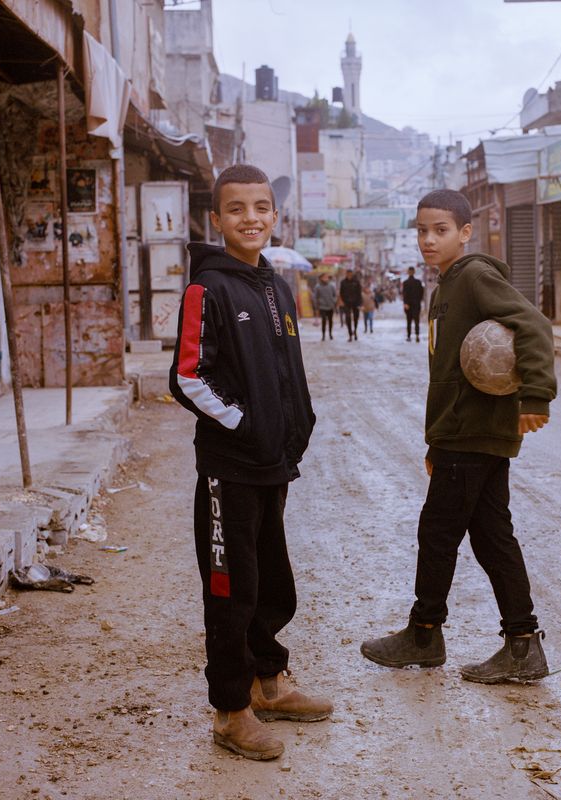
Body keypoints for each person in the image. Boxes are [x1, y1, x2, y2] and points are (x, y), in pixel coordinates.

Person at [360, 189, 556, 684]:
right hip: (462, 434)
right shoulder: (444, 288)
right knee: (492, 538)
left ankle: (424, 634)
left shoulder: (473, 277)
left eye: (440, 230)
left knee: (438, 532)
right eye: (422, 231)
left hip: (473, 434)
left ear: (465, 233)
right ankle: (522, 644)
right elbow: (448, 374)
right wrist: (436, 441)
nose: (429, 239)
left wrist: (536, 395)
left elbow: (532, 323)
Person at [170, 164, 332, 762]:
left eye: (261, 207)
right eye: (236, 209)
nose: (251, 218)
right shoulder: (206, 289)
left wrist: (296, 426)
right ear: (217, 219)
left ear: (275, 215)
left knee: (270, 579)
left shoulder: (276, 287)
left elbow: (289, 373)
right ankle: (231, 710)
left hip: (272, 464)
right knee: (230, 589)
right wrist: (244, 424)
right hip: (230, 467)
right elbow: (187, 377)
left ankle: (270, 682)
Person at [339, 268, 362, 341]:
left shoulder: (356, 282)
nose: (349, 275)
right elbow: (341, 292)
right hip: (346, 303)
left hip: (355, 302)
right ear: (346, 274)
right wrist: (342, 301)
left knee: (356, 318)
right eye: (348, 274)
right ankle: (350, 334)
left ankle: (355, 330)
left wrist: (360, 303)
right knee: (348, 318)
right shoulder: (343, 282)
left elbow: (359, 293)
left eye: (350, 274)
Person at [402, 266, 424, 342]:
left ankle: (409, 336)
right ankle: (417, 336)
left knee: (409, 321)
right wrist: (418, 301)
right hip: (416, 305)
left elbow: (404, 294)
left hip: (409, 305)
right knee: (416, 321)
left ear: (408, 272)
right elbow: (421, 293)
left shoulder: (405, 283)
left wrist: (406, 303)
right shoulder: (418, 282)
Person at [313, 272, 336, 341]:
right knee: (324, 320)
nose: (326, 278)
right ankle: (323, 335)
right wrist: (316, 306)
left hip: (330, 306)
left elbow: (335, 295)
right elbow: (315, 297)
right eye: (324, 277)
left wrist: (333, 302)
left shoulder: (331, 286)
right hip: (322, 307)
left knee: (330, 320)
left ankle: (330, 334)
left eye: (326, 277)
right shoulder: (317, 287)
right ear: (320, 278)